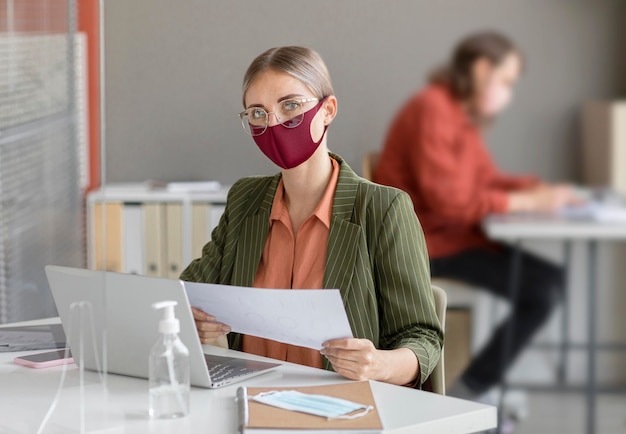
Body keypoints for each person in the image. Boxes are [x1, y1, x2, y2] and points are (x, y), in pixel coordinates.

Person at [180, 46, 443, 388]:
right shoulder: (245, 199)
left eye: (290, 105)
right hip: (249, 397)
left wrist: (378, 363)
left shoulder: (382, 208)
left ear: (327, 110)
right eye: (258, 113)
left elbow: (422, 337)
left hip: (340, 406)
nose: (273, 123)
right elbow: (187, 293)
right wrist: (190, 319)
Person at [374, 32, 578, 400]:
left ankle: (477, 388)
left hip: (456, 238)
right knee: (543, 289)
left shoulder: (457, 114)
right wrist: (527, 203)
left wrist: (536, 189)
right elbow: (451, 201)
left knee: (552, 279)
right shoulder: (432, 109)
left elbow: (483, 179)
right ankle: (469, 394)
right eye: (506, 81)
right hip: (426, 246)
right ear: (483, 69)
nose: (507, 92)